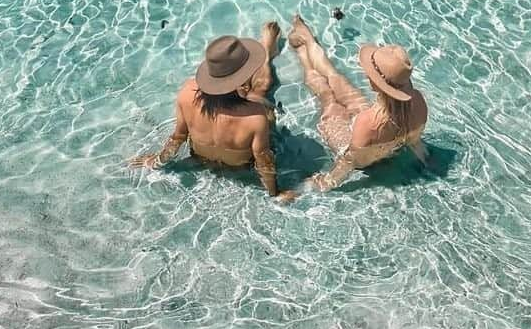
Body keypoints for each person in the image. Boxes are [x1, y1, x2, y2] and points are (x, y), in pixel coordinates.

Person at [130, 23, 296, 200]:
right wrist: (275, 193)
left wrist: (156, 161)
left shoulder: (187, 93)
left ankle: (267, 47)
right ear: (242, 77)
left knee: (256, 93)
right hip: (240, 168)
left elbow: (177, 138)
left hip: (200, 161)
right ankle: (267, 48)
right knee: (262, 90)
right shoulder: (255, 117)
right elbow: (264, 162)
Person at [288, 14, 431, 190]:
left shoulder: (368, 123)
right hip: (373, 123)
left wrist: (319, 184)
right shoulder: (419, 102)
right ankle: (308, 42)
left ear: (375, 82)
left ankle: (304, 51)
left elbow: (349, 161)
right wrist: (425, 162)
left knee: (327, 95)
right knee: (335, 78)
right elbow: (415, 141)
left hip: (351, 139)